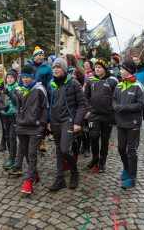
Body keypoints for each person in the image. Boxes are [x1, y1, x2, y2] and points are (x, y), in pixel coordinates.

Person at [7, 65, 48, 194]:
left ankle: (29, 181)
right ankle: (34, 174)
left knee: (31, 153)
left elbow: (45, 108)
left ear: (32, 77)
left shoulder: (40, 90)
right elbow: (18, 107)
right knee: (25, 152)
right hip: (22, 126)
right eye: (23, 77)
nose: (25, 79)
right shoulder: (20, 90)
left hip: (35, 127)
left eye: (27, 77)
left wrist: (42, 124)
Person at [47, 58, 87, 191]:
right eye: (54, 68)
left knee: (65, 149)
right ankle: (60, 179)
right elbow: (48, 105)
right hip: (55, 121)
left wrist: (78, 122)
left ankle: (74, 173)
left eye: (58, 67)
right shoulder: (50, 85)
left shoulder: (74, 84)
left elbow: (82, 105)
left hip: (68, 121)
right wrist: (48, 121)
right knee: (59, 150)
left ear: (64, 69)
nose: (56, 70)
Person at [112, 60, 144, 189]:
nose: (120, 70)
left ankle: (132, 177)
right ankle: (126, 168)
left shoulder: (138, 85)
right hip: (120, 122)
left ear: (129, 70)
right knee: (120, 148)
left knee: (131, 150)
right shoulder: (119, 85)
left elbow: (141, 104)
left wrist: (124, 108)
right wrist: (115, 106)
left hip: (133, 123)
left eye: (122, 69)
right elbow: (113, 99)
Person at [84, 58, 118, 173]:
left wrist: (114, 109)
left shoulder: (113, 81)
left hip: (108, 115)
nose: (97, 69)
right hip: (94, 114)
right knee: (93, 136)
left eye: (99, 67)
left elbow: (116, 97)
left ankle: (102, 161)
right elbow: (86, 97)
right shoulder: (90, 81)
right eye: (96, 67)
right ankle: (95, 158)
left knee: (105, 138)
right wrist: (88, 109)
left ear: (105, 68)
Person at [22, 46, 53, 153]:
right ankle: (29, 136)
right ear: (34, 56)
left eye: (42, 55)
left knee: (42, 116)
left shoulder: (47, 67)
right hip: (29, 93)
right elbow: (22, 79)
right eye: (39, 55)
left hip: (42, 94)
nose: (41, 57)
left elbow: (50, 82)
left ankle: (42, 139)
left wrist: (49, 93)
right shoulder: (27, 65)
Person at [0, 69, 19, 170]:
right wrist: (2, 107)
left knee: (12, 137)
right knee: (7, 136)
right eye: (8, 77)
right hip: (5, 115)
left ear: (15, 79)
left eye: (11, 77)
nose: (9, 79)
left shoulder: (17, 88)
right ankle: (11, 156)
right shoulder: (4, 88)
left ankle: (12, 158)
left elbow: (17, 102)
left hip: (14, 116)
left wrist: (9, 94)